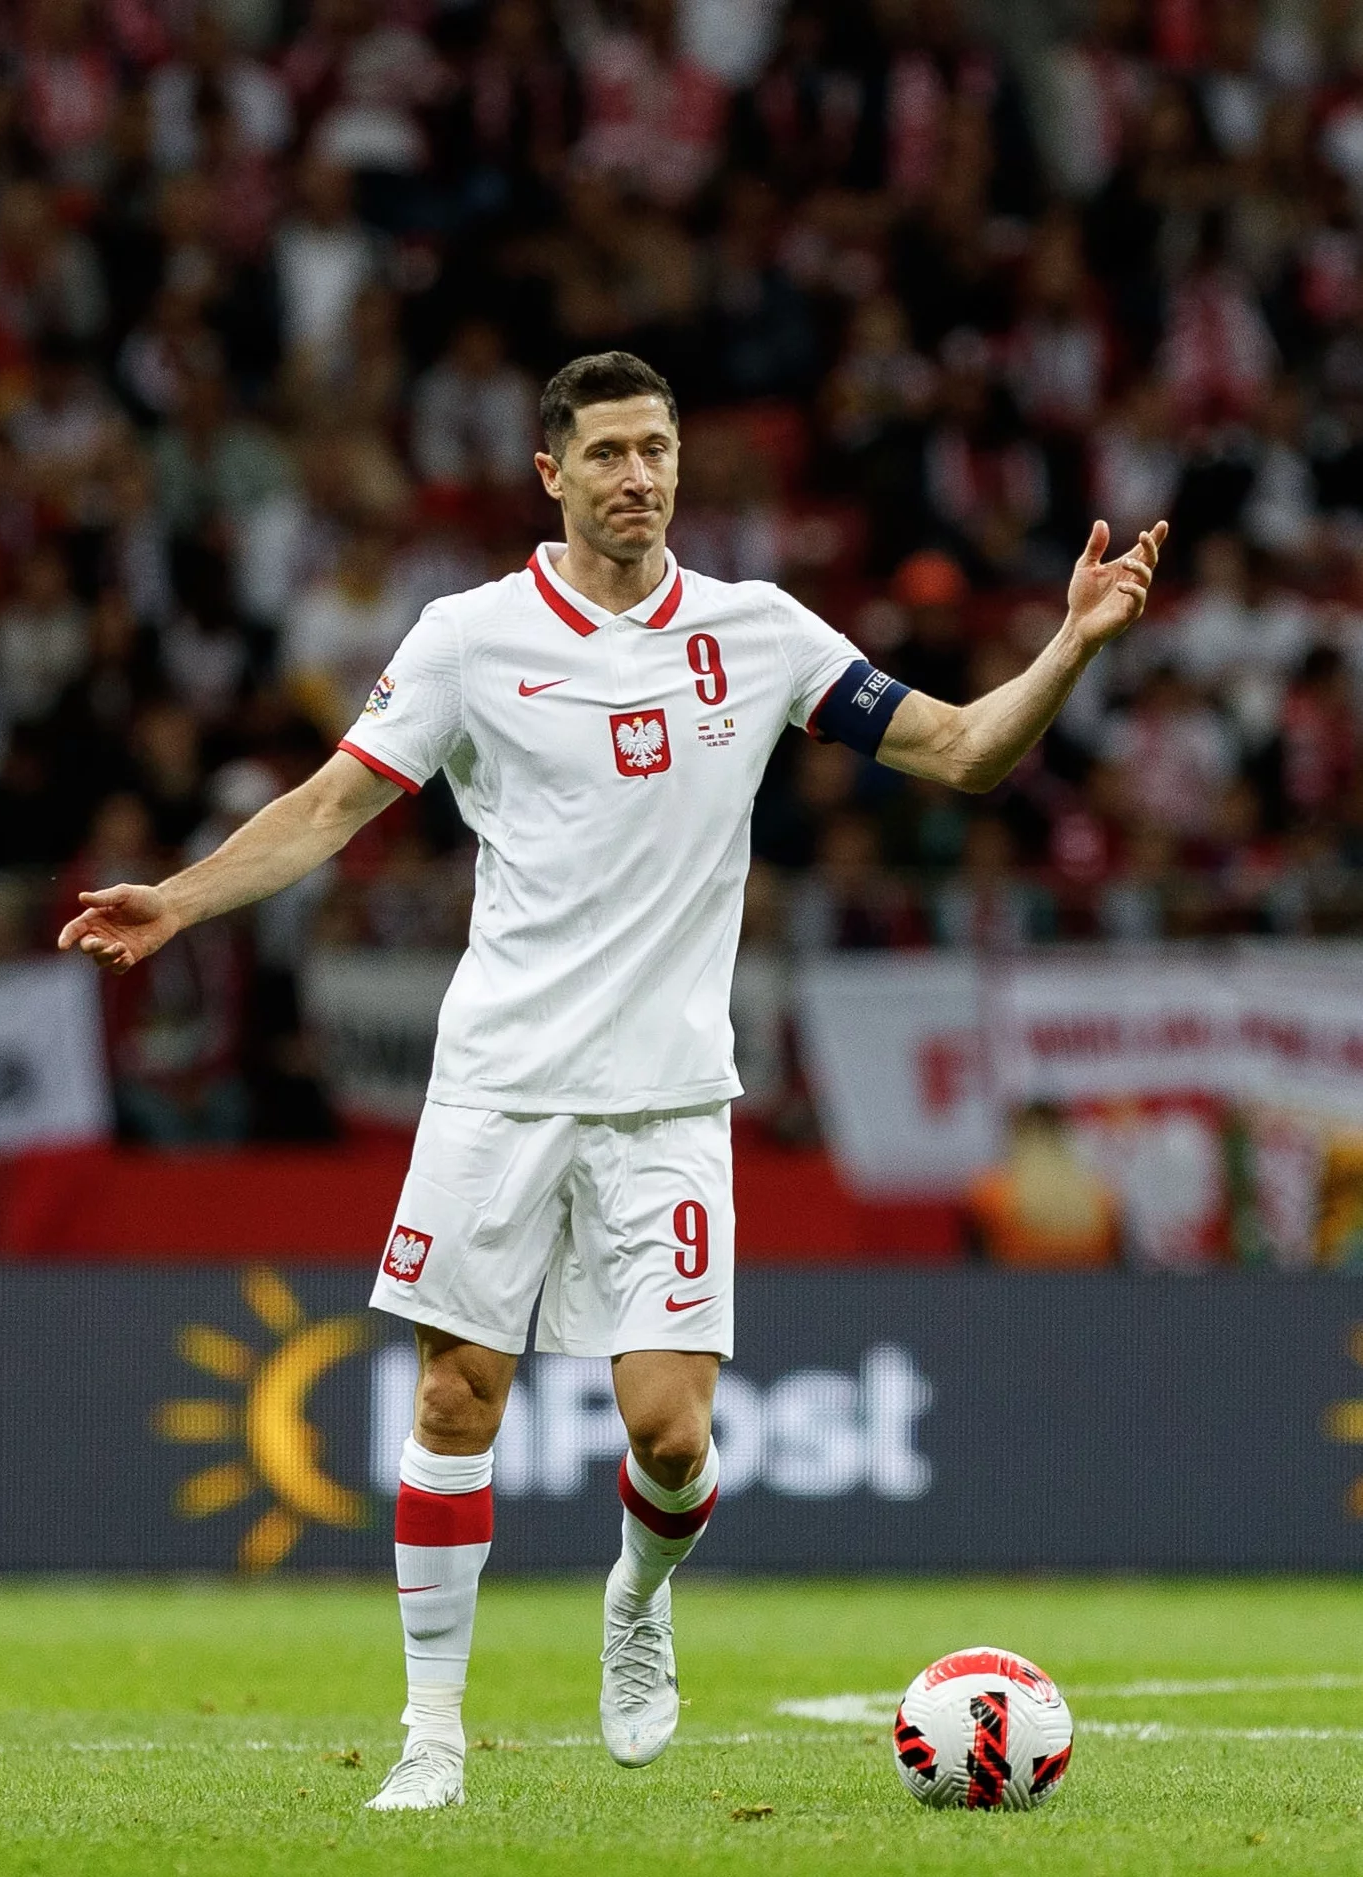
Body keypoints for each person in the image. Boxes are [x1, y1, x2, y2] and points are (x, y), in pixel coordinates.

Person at [59, 351, 1166, 1811]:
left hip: (665, 1100)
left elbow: (960, 752)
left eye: (656, 449)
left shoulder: (755, 632)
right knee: (455, 1400)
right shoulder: (469, 637)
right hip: (499, 1086)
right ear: (550, 474)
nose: (636, 476)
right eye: (607, 454)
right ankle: (431, 1738)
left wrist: (1070, 644)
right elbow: (335, 802)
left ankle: (635, 1604)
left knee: (670, 1433)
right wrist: (184, 901)